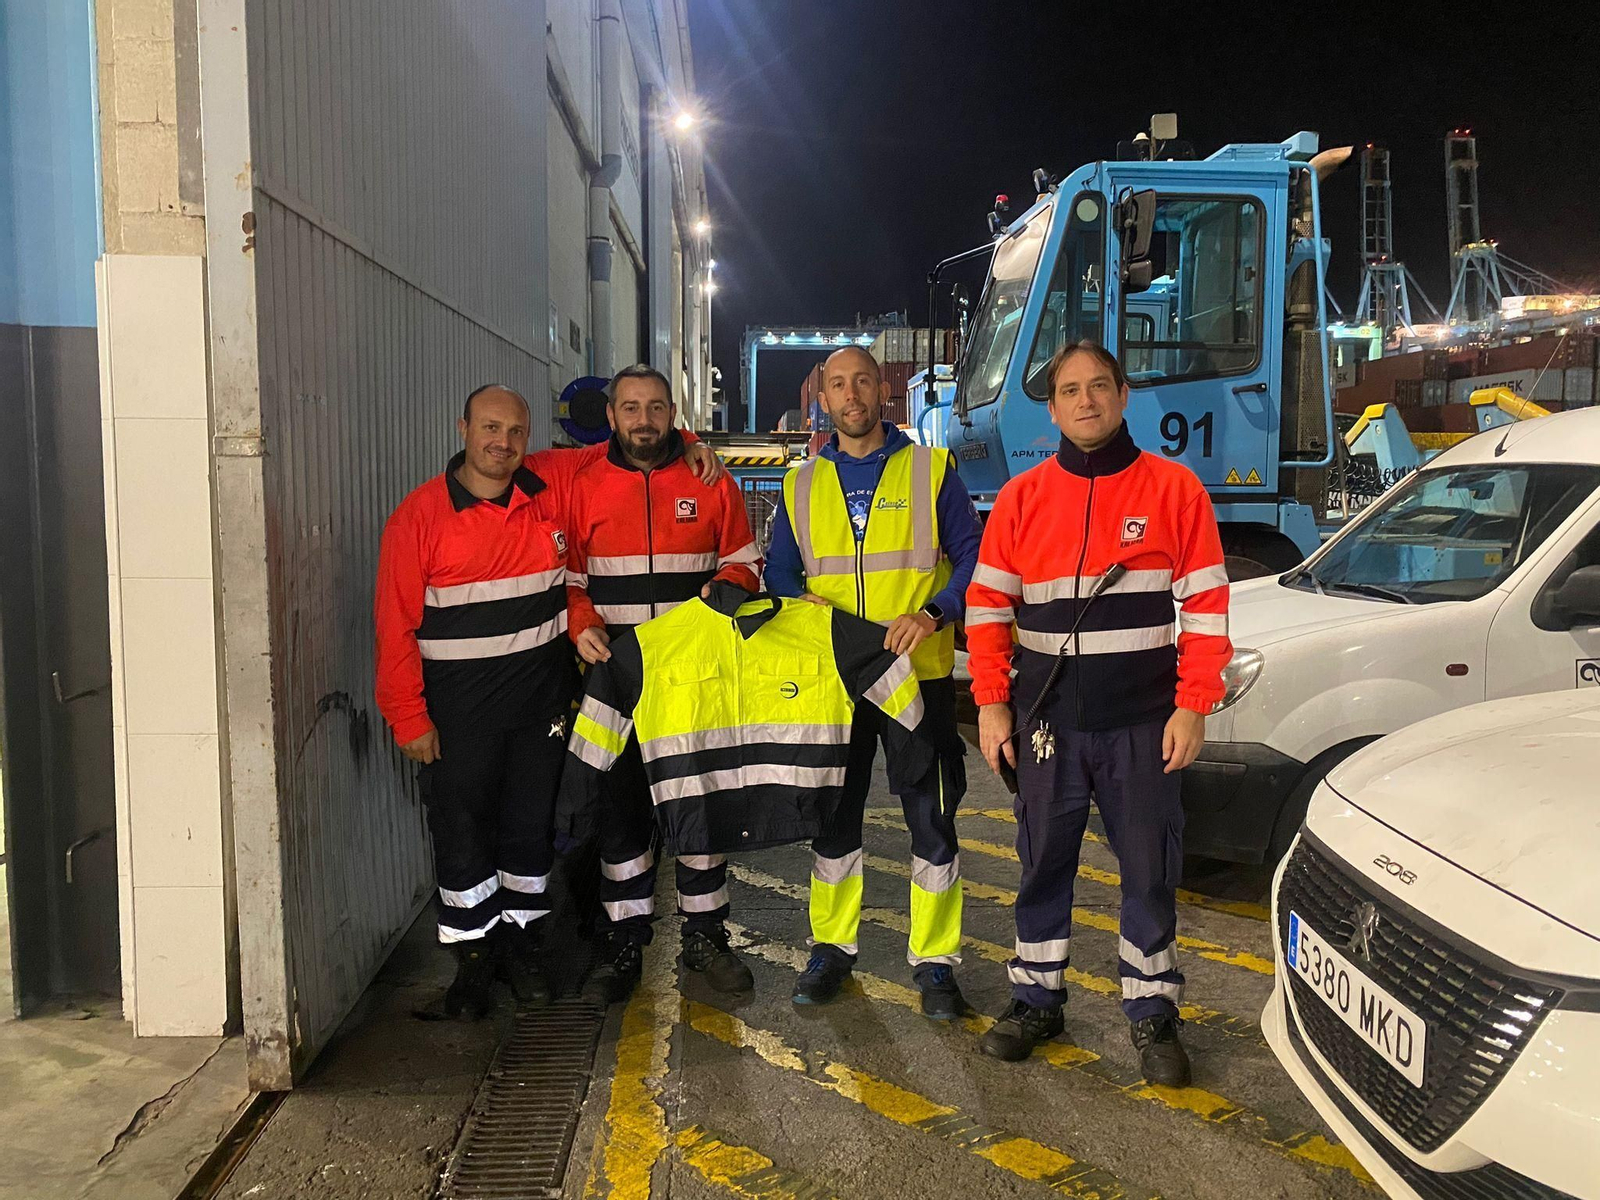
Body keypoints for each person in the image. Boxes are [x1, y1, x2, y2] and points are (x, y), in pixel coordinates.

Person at [374, 383, 726, 1018]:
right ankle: (473, 962)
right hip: (457, 715)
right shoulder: (419, 517)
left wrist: (694, 443)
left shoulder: (549, 484)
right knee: (461, 833)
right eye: (489, 428)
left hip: (539, 708)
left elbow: (635, 440)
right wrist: (408, 717)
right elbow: (393, 625)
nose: (502, 442)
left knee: (529, 832)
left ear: (527, 438)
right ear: (462, 429)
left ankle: (523, 948)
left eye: (514, 431)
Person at [965, 341, 1231, 1084]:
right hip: (1047, 722)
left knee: (1149, 870)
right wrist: (991, 703)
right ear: (1052, 409)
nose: (1086, 400)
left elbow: (1206, 607)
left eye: (1099, 387)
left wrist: (1193, 706)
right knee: (1041, 864)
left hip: (1143, 722)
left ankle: (1153, 1011)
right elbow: (987, 608)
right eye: (1070, 390)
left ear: (1122, 395)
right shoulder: (1021, 499)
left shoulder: (1175, 490)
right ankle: (1036, 999)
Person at [765, 345, 983, 1019]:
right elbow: (779, 573)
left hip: (919, 675)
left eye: (862, 380)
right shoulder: (800, 484)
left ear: (879, 392)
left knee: (932, 817)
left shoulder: (931, 469)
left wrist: (934, 612)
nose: (852, 393)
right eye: (838, 384)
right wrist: (800, 601)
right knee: (834, 816)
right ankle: (831, 948)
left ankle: (936, 962)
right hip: (836, 681)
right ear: (823, 399)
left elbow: (973, 557)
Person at [564, 364, 764, 1004]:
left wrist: (721, 596)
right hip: (617, 680)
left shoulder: (710, 480)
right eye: (630, 408)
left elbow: (744, 562)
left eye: (655, 407)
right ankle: (624, 942)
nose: (643, 420)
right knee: (621, 814)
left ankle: (706, 938)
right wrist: (581, 623)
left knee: (700, 809)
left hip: (691, 679)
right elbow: (570, 578)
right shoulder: (582, 482)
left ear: (673, 413)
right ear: (611, 415)